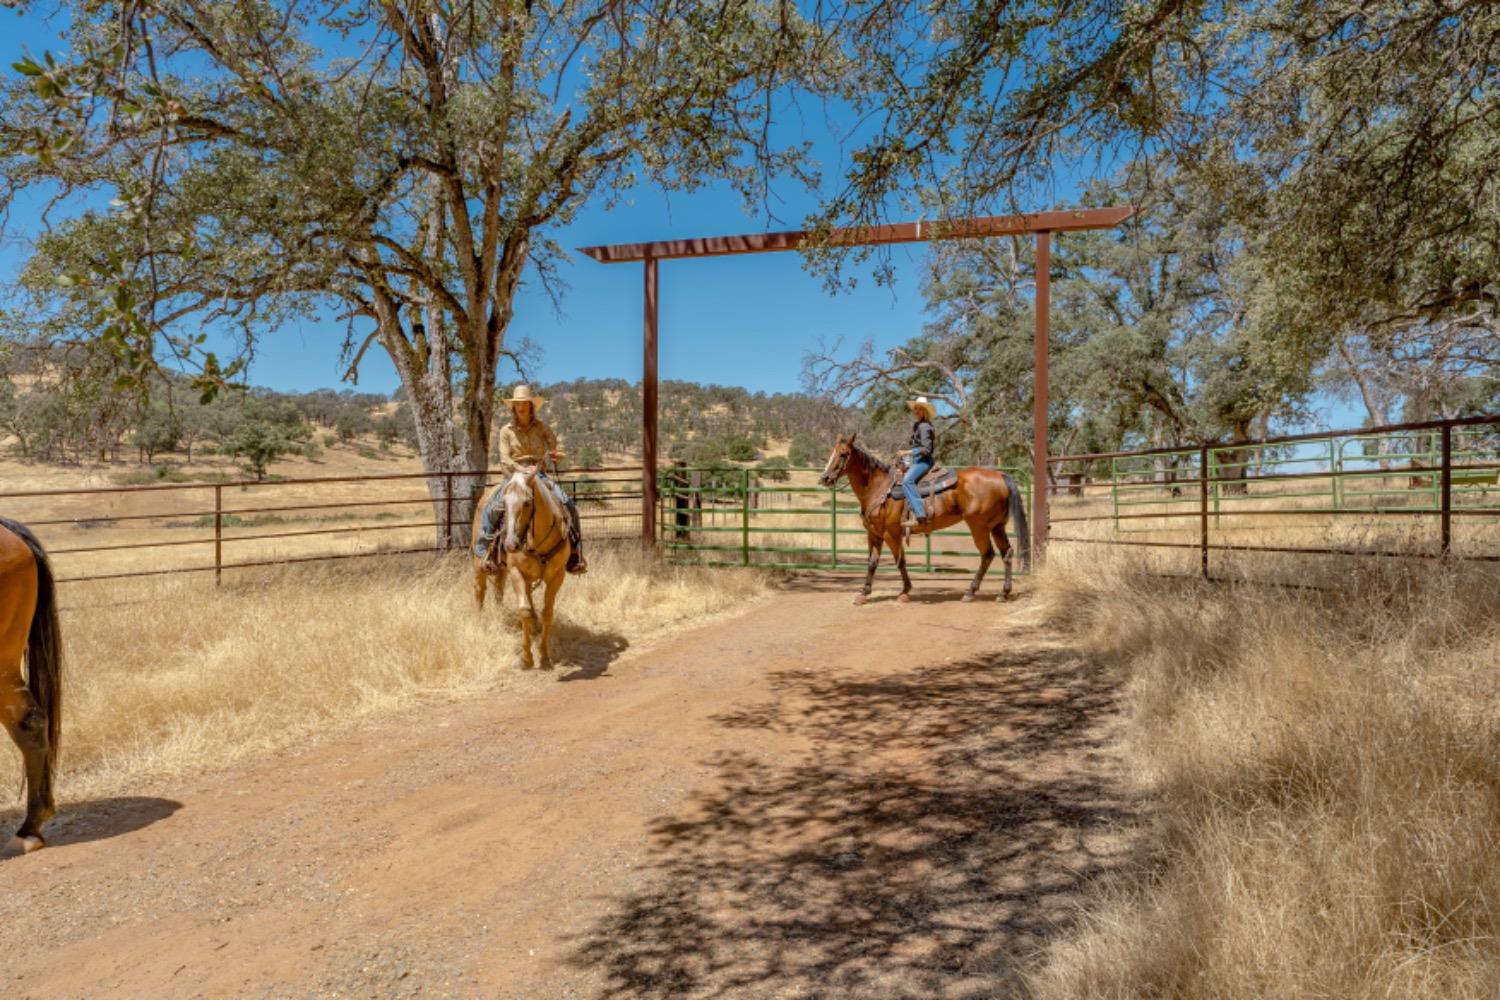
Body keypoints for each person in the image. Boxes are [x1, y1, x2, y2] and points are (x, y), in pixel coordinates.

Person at [478, 384, 587, 574]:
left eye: (525, 403)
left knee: (569, 505)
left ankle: (575, 553)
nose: (521, 407)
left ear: (531, 406)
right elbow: (504, 457)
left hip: (539, 475)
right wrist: (519, 467)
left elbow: (554, 448)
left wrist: (556, 455)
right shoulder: (506, 430)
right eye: (517, 404)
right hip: (513, 476)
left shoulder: (542, 428)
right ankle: (486, 550)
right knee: (492, 507)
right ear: (513, 407)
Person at [898, 395, 937, 534]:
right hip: (915, 459)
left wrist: (907, 452)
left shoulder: (925, 427)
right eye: (914, 408)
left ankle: (920, 514)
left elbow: (926, 449)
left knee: (907, 481)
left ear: (923, 411)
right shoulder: (917, 425)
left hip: (924, 461)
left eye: (917, 408)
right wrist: (904, 458)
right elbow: (915, 445)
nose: (914, 411)